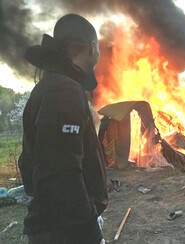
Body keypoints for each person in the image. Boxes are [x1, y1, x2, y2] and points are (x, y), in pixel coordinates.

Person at [18, 14, 108, 244]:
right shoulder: (63, 92)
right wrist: (87, 228)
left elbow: (29, 164)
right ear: (91, 47)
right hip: (65, 233)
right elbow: (60, 174)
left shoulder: (50, 86)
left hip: (55, 226)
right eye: (97, 49)